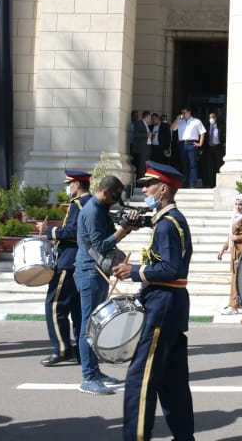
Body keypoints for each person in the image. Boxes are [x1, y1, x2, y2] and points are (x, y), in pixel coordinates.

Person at [113, 161, 195, 441]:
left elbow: (172, 269)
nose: (144, 188)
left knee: (141, 378)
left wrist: (133, 271)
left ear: (163, 189)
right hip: (169, 303)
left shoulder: (168, 225)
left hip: (163, 304)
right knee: (172, 381)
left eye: (149, 184)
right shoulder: (168, 220)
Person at [74, 174, 136, 395]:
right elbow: (101, 245)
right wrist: (124, 230)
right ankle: (88, 377)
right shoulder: (92, 211)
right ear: (107, 192)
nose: (117, 200)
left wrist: (124, 224)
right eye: (116, 196)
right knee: (88, 327)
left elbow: (107, 235)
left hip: (96, 271)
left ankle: (95, 372)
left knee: (94, 325)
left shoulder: (100, 208)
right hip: (90, 271)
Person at [38, 170, 91, 366]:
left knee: (55, 306)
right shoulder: (90, 202)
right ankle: (79, 349)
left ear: (77, 184)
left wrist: (50, 231)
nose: (68, 188)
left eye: (69, 184)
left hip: (69, 261)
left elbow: (74, 232)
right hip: (80, 262)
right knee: (77, 309)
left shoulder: (79, 204)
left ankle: (62, 348)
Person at [217, 194, 242, 316]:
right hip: (234, 252)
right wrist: (223, 249)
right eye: (236, 204)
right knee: (235, 278)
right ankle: (236, 304)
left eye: (241, 204)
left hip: (241, 251)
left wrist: (237, 237)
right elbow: (230, 237)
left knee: (236, 279)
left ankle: (234, 305)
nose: (238, 207)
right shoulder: (235, 216)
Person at [174, 108, 206, 187]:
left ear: (189, 112)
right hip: (182, 143)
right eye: (182, 112)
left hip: (192, 143)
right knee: (184, 165)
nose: (183, 114)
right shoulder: (180, 122)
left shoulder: (196, 121)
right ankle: (185, 183)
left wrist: (200, 143)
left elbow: (202, 132)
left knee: (193, 164)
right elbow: (171, 128)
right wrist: (177, 119)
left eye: (184, 112)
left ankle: (192, 183)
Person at [202, 111, 224, 188]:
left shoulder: (221, 126)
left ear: (216, 118)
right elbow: (203, 137)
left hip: (218, 148)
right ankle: (210, 183)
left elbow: (224, 136)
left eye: (213, 117)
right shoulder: (206, 126)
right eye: (210, 117)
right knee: (209, 167)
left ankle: (217, 183)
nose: (211, 119)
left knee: (218, 166)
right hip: (209, 148)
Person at [132, 109, 150, 180]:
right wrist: (146, 134)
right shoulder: (139, 123)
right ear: (147, 116)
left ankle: (144, 181)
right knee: (141, 166)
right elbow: (136, 134)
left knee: (146, 166)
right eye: (149, 117)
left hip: (147, 147)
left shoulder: (146, 125)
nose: (150, 119)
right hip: (142, 148)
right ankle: (140, 183)